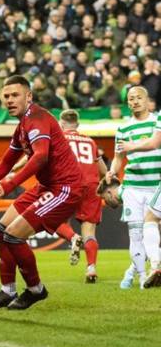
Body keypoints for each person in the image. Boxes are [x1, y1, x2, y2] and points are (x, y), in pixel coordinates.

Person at [0, 75, 83, 310]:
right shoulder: (22, 127)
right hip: (46, 187)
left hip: (65, 188)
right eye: (6, 96)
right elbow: (4, 164)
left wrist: (9, 185)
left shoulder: (38, 119)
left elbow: (40, 157)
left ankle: (35, 290)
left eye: (15, 95)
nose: (10, 100)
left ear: (28, 96)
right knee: (2, 230)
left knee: (13, 235)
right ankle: (7, 291)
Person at [106, 87, 161, 289]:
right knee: (136, 234)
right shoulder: (123, 129)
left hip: (157, 185)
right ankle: (141, 277)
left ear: (148, 101)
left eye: (139, 98)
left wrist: (133, 146)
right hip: (133, 187)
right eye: (131, 99)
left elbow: (155, 143)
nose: (135, 101)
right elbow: (119, 157)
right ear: (127, 103)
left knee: (154, 235)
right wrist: (112, 171)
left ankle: (133, 272)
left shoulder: (157, 122)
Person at [53, 110, 107, 283]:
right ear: (77, 124)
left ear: (61, 124)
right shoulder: (90, 142)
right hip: (91, 186)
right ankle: (91, 268)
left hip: (68, 184)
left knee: (52, 220)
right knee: (89, 231)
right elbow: (103, 170)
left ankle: (72, 237)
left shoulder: (59, 139)